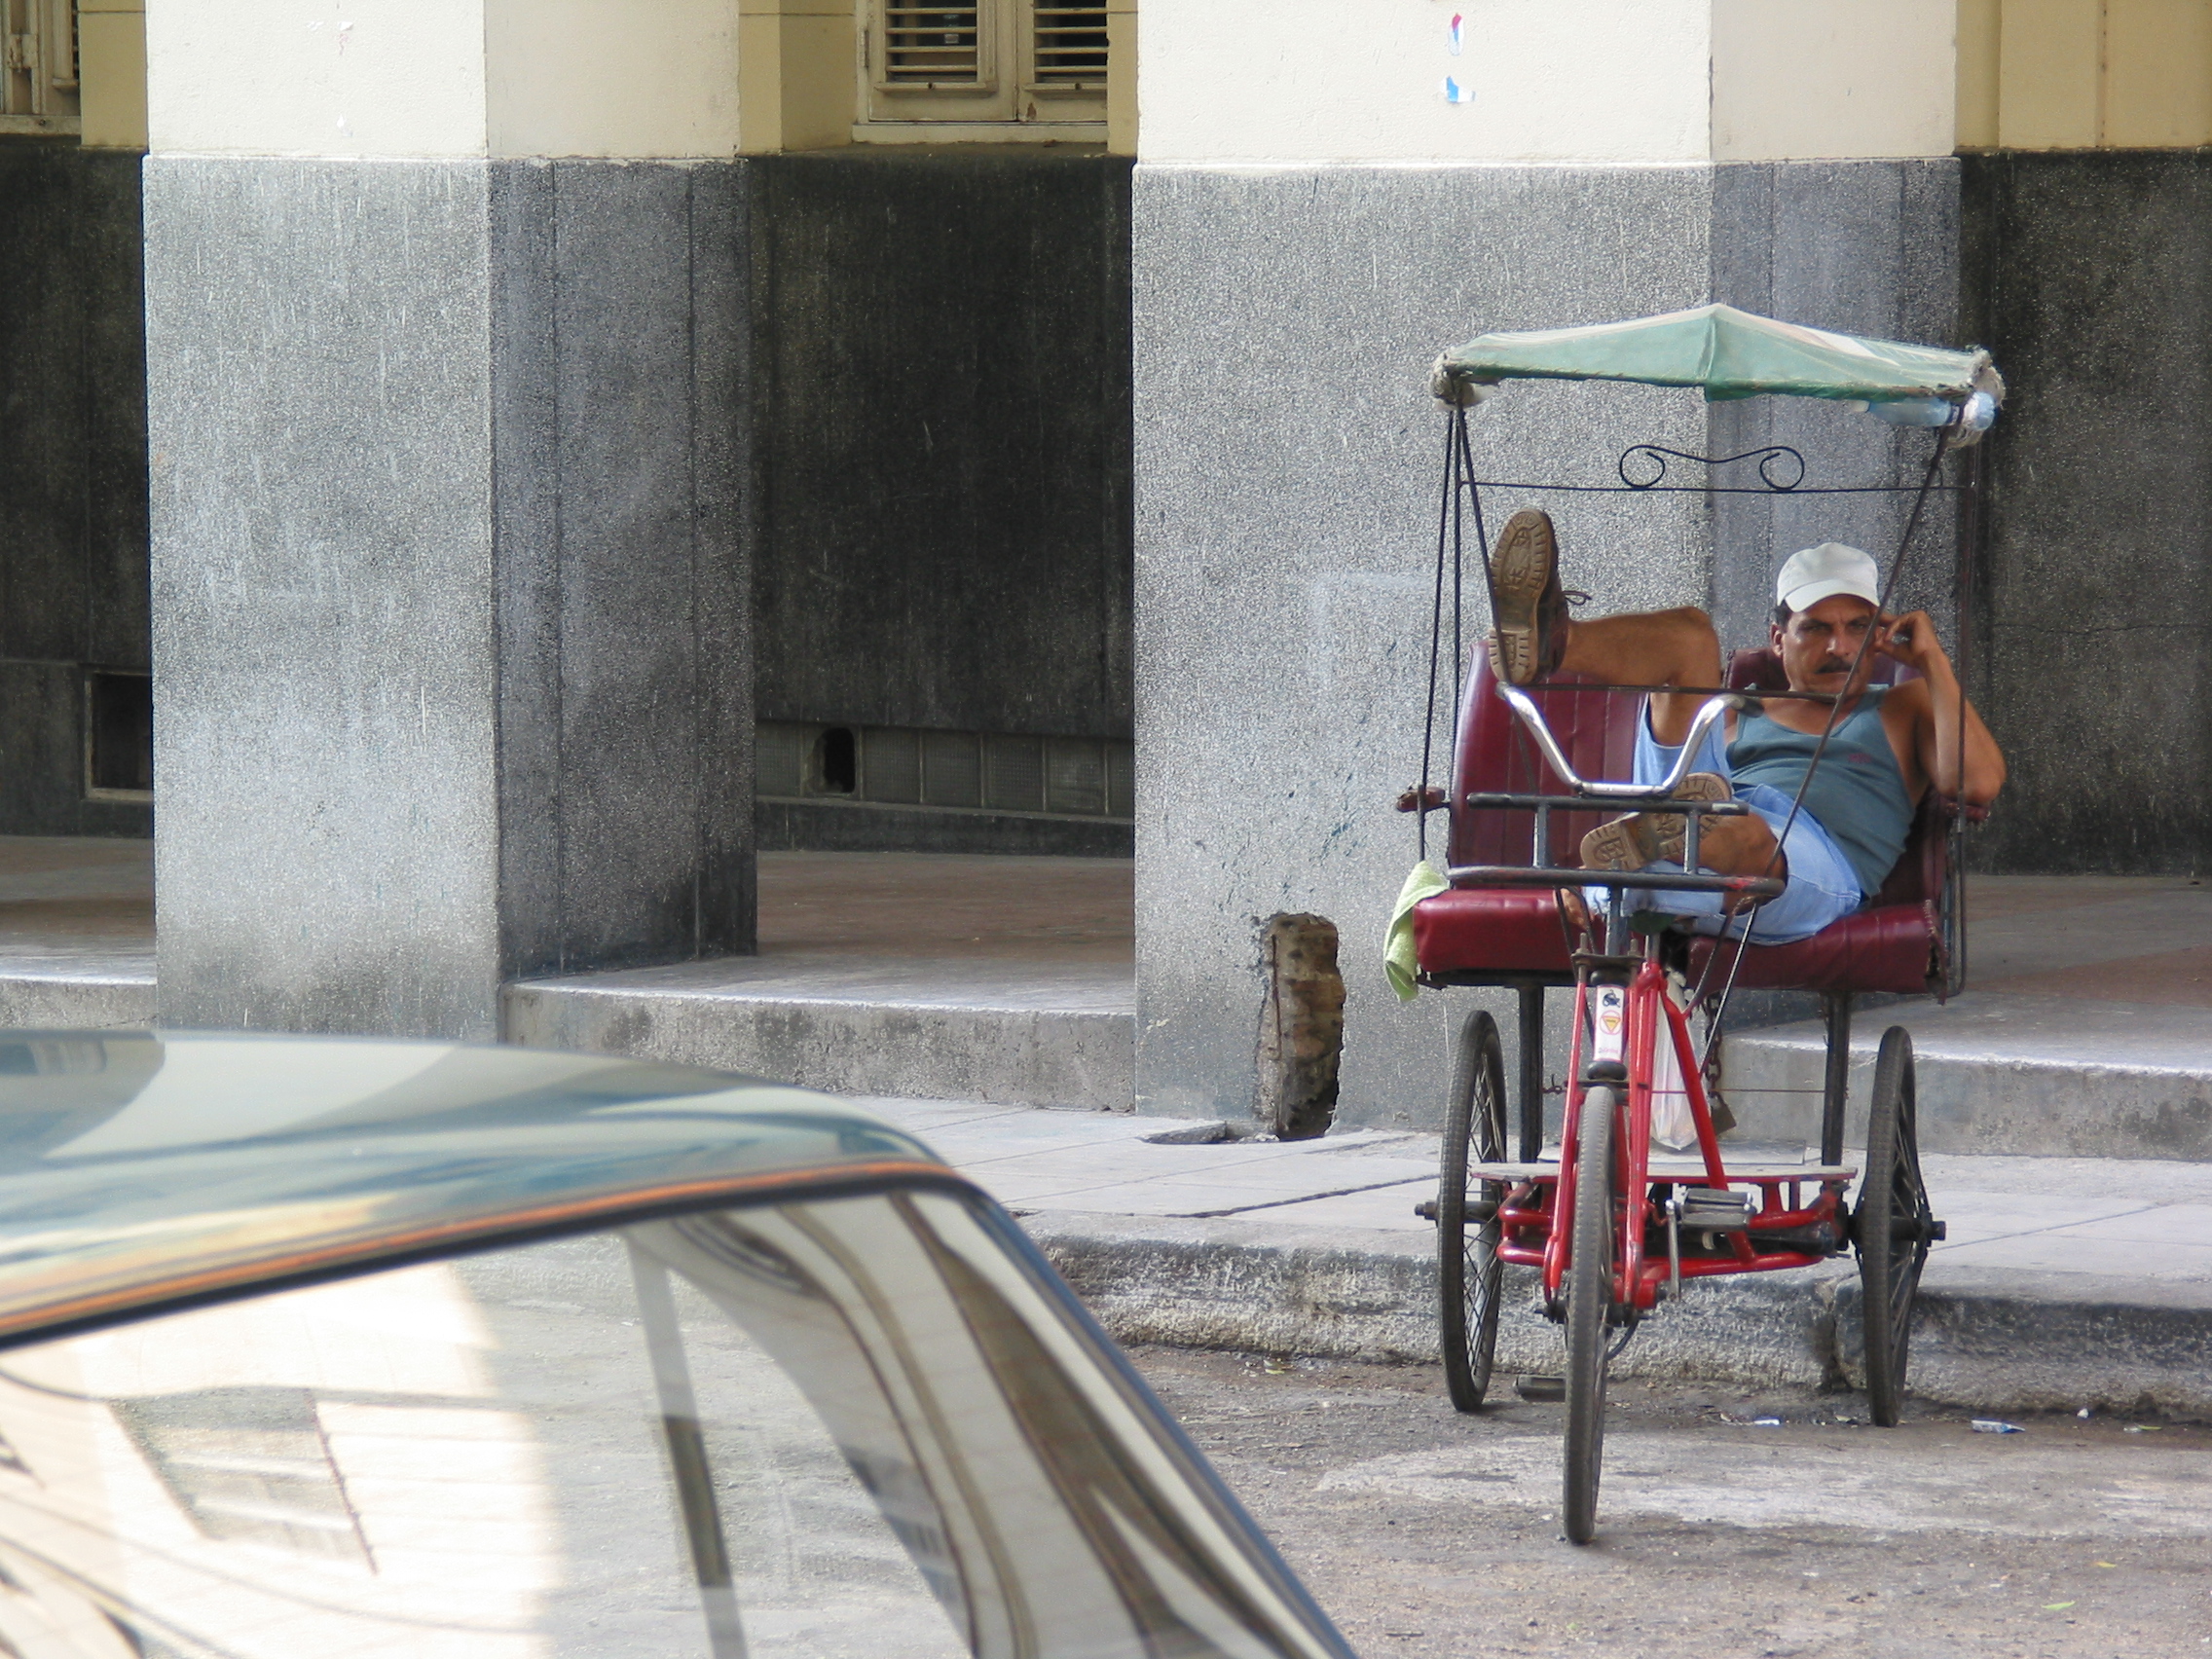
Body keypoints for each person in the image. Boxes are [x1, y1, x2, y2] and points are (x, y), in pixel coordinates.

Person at [1485, 508, 2007, 943]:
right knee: (1691, 635)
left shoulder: (1904, 703)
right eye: (1816, 629)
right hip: (1714, 803)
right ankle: (1551, 642)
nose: (1838, 647)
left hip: (1813, 859)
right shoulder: (1735, 708)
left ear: (1880, 637)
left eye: (1858, 629)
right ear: (1778, 639)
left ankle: (1641, 856)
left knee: (1746, 835)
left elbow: (1976, 782)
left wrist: (1932, 659)